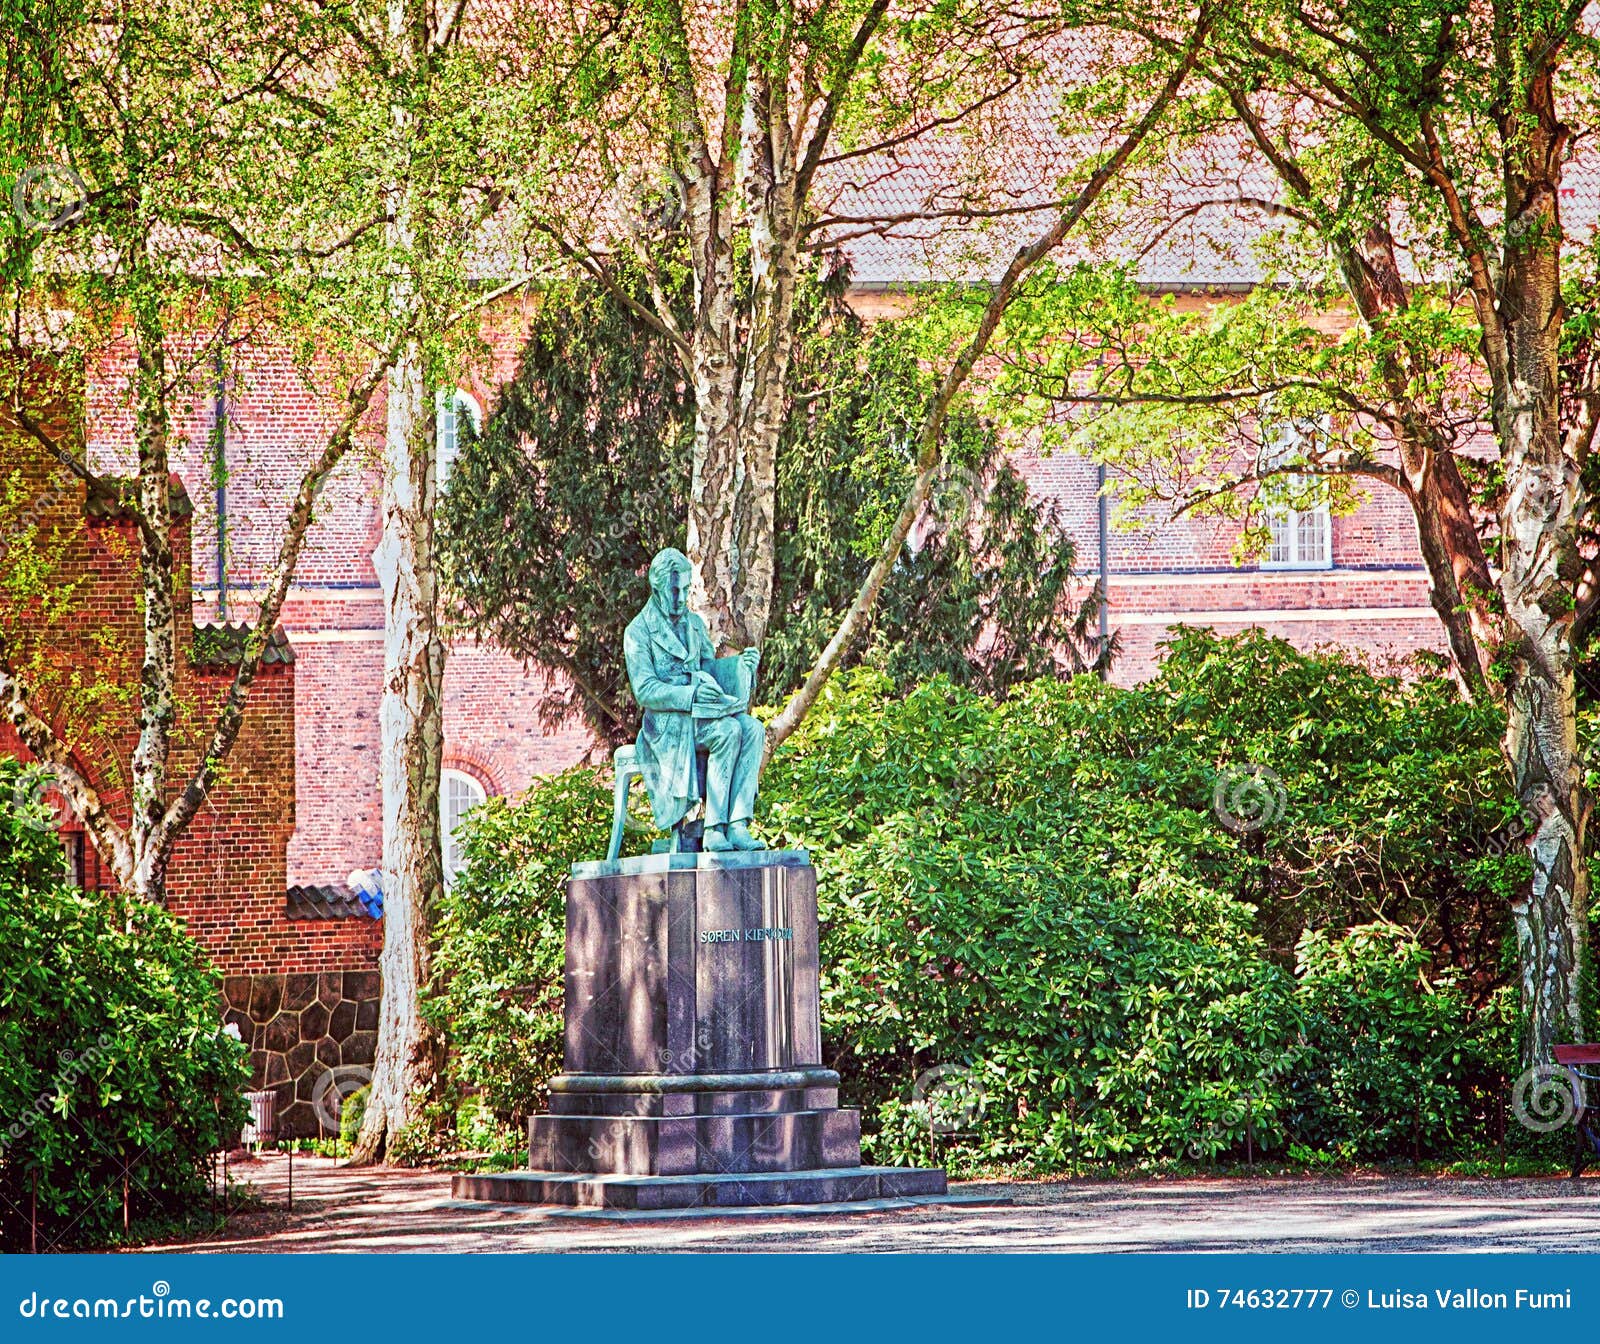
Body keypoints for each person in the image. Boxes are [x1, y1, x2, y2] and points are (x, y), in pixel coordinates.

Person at [622, 548, 765, 851]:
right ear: (657, 586)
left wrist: (741, 666)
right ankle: (714, 828)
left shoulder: (695, 623)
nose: (682, 597)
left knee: (752, 728)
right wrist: (691, 693)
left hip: (702, 714)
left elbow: (709, 668)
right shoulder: (638, 631)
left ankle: (738, 823)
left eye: (687, 589)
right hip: (668, 723)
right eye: (676, 590)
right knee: (728, 731)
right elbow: (645, 690)